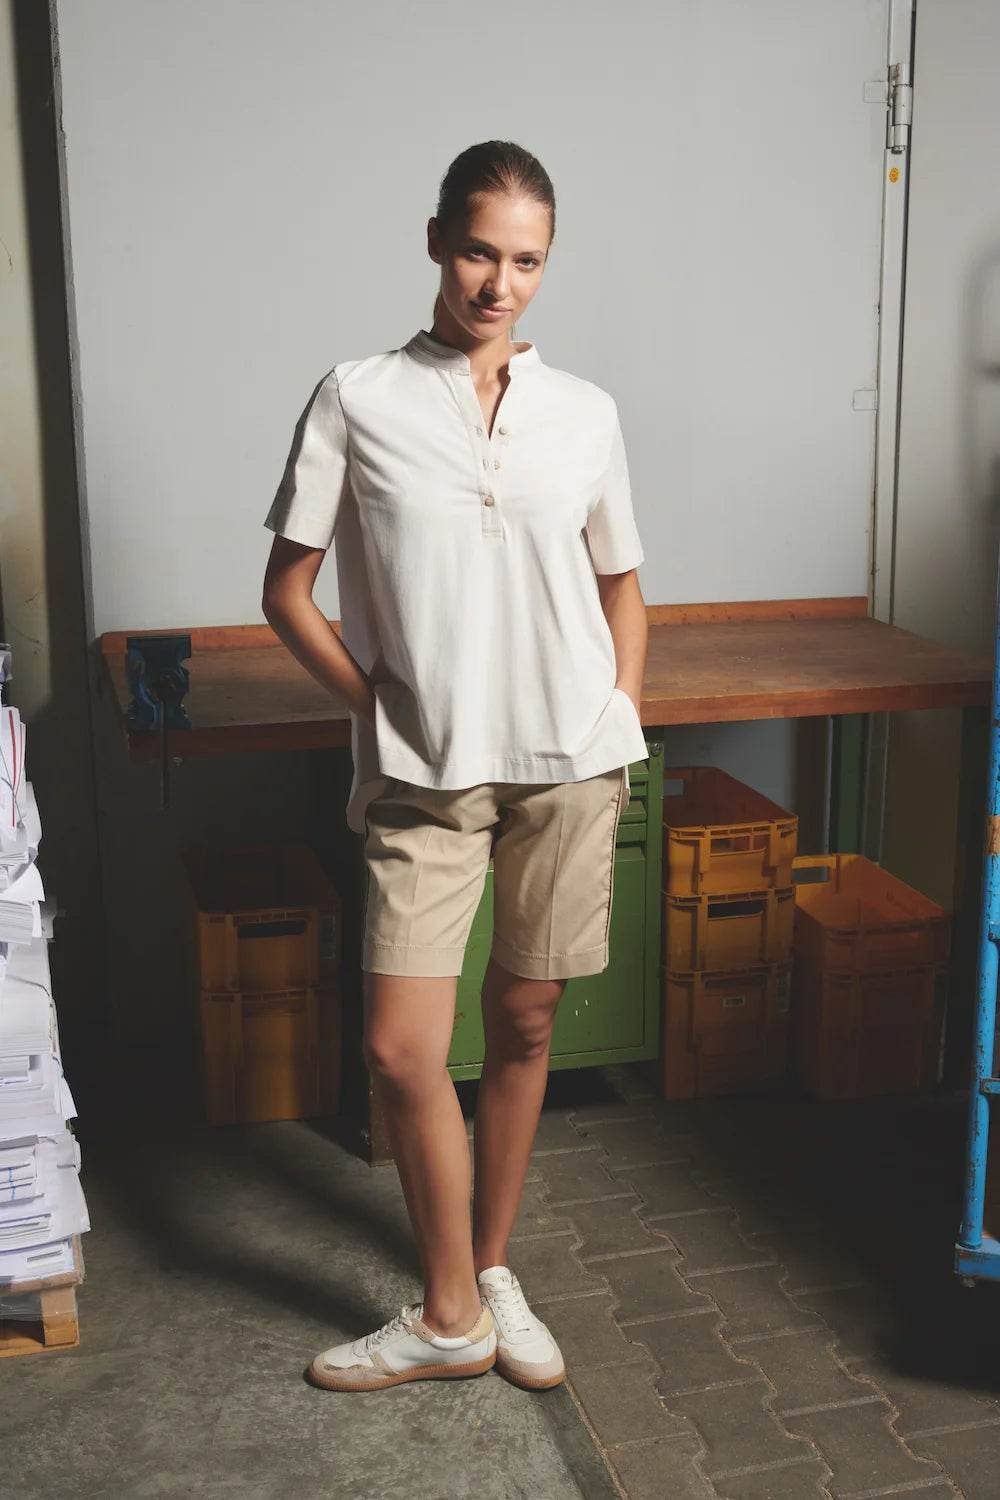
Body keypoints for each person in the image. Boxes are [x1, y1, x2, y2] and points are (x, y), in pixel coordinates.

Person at [261, 140, 649, 1393]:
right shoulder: (357, 396)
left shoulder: (583, 412)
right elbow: (286, 589)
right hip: (427, 773)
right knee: (401, 1047)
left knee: (524, 1023)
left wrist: (617, 707)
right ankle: (449, 1321)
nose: (499, 283)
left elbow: (621, 587)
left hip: (567, 763)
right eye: (480, 251)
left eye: (526, 261)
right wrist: (376, 704)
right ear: (436, 241)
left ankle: (482, 1274)